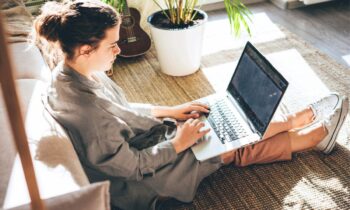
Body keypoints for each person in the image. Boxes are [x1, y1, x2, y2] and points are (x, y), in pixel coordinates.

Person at [34, 1, 348, 209]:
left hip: (142, 146)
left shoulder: (73, 72)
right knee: (224, 143)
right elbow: (132, 166)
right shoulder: (90, 114)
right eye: (112, 44)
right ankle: (307, 127)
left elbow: (123, 110)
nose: (118, 49)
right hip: (140, 185)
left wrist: (169, 111)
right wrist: (180, 143)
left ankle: (313, 135)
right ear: (87, 49)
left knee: (215, 127)